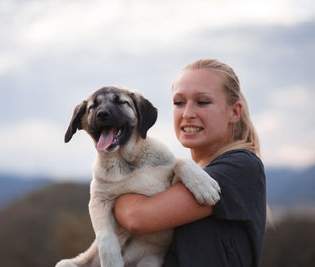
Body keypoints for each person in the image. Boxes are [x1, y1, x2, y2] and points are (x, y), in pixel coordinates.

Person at [114, 58, 267, 267]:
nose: (187, 114)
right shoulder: (184, 176)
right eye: (179, 102)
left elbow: (137, 217)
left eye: (202, 102)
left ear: (234, 112)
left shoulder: (241, 166)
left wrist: (110, 193)